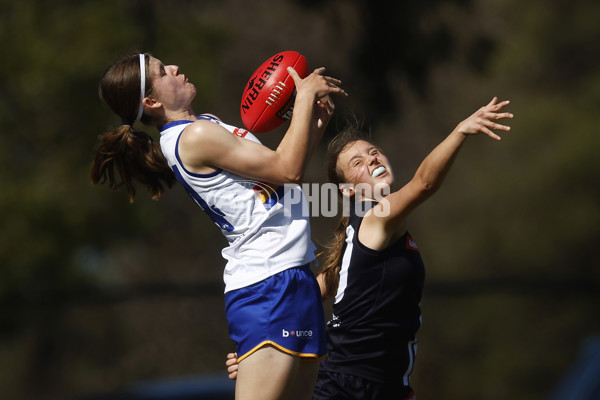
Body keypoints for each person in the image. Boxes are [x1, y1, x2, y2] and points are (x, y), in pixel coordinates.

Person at [91, 52, 347, 400]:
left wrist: (313, 121)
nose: (175, 67)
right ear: (150, 100)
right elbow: (288, 169)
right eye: (163, 71)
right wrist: (301, 99)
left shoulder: (205, 124)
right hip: (268, 284)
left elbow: (280, 179)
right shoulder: (193, 137)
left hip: (293, 276)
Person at [227, 97, 513, 399]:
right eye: (358, 163)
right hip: (346, 388)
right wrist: (460, 131)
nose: (372, 160)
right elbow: (424, 184)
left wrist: (264, 348)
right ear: (349, 191)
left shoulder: (362, 237)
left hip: (389, 387)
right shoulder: (376, 218)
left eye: (374, 153)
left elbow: (304, 295)